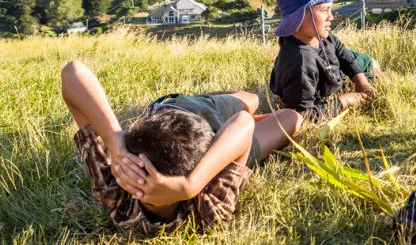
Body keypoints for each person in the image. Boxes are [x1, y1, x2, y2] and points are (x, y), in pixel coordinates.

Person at [61, 60, 302, 235]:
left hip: (180, 110)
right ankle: (228, 109)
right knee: (279, 114)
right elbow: (245, 124)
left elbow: (72, 72)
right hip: (217, 140)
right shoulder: (208, 212)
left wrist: (115, 142)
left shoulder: (116, 188)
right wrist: (191, 186)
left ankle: (224, 101)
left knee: (251, 100)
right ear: (203, 170)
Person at [269, 0, 377, 123]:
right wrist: (346, 100)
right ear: (299, 16)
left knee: (372, 64)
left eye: (330, 9)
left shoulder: (322, 37)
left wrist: (362, 85)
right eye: (324, 10)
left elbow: (345, 56)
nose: (331, 17)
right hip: (323, 77)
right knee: (372, 70)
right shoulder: (301, 63)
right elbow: (304, 115)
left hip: (332, 69)